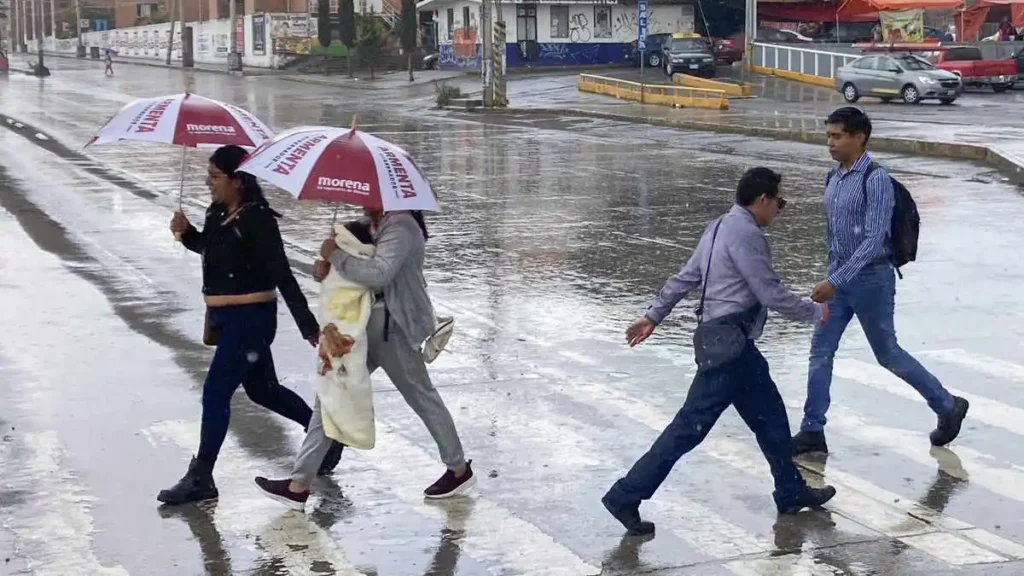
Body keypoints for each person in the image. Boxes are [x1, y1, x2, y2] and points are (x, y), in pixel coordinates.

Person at [601, 168, 837, 536]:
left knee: (771, 419)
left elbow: (685, 277)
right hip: (729, 351)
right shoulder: (746, 235)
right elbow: (769, 292)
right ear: (762, 200)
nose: (779, 209)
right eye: (779, 202)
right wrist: (814, 313)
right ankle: (625, 495)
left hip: (731, 344)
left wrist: (653, 316)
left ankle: (790, 491)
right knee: (687, 429)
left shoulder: (719, 227)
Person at [253, 209, 474, 508]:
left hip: (391, 328)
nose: (359, 200)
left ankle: (458, 469)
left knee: (422, 397)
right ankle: (298, 484)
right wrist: (325, 269)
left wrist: (336, 257)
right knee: (331, 394)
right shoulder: (371, 224)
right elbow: (351, 268)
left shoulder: (402, 226)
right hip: (360, 326)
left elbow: (379, 273)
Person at [161, 145, 338, 505]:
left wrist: (309, 327)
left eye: (214, 177)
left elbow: (283, 275)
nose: (208, 183)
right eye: (207, 176)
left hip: (251, 321)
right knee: (263, 391)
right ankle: (326, 437)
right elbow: (211, 249)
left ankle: (202, 477)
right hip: (226, 320)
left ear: (237, 180)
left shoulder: (257, 218)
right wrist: (186, 235)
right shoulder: (217, 213)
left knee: (215, 392)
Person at [791, 107, 969, 456]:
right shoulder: (833, 177)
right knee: (820, 351)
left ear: (859, 137)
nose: (831, 143)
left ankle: (947, 405)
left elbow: (874, 240)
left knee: (887, 353)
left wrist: (836, 280)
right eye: (828, 135)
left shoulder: (876, 179)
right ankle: (812, 429)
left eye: (838, 135)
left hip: (871, 280)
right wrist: (832, 275)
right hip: (838, 281)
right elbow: (833, 233)